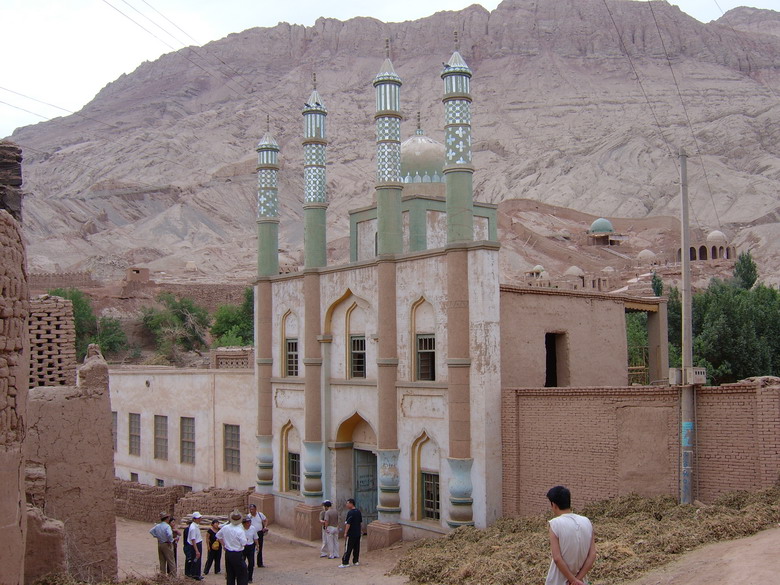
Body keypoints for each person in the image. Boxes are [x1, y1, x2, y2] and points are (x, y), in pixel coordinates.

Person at [545, 486, 596, 585]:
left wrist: (572, 580)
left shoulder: (555, 524)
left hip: (558, 581)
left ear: (553, 504)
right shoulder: (587, 522)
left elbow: (557, 558)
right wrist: (577, 580)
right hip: (581, 581)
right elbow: (592, 555)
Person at [217, 510, 250, 585]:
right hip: (237, 553)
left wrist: (224, 545)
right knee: (242, 574)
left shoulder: (225, 528)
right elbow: (244, 543)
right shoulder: (240, 531)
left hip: (228, 553)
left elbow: (218, 535)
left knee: (230, 574)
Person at [339, 498, 362, 568]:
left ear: (351, 504)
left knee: (348, 548)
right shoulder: (358, 512)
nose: (346, 505)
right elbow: (360, 522)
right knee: (356, 547)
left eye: (347, 503)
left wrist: (345, 532)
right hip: (357, 533)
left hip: (351, 533)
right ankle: (356, 561)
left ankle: (345, 562)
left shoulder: (350, 513)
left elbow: (348, 524)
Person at [184, 511, 204, 580]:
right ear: (194, 519)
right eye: (198, 518)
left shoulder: (196, 526)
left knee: (198, 560)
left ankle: (197, 574)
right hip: (195, 545)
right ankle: (195, 575)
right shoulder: (193, 528)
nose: (200, 519)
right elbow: (193, 539)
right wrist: (196, 550)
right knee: (195, 560)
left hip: (198, 543)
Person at [248, 503, 268, 567]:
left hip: (259, 533)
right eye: (250, 509)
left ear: (255, 509)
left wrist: (265, 527)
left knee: (260, 547)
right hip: (252, 534)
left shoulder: (260, 514)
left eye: (252, 509)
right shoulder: (248, 516)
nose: (251, 511)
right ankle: (251, 563)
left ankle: (260, 563)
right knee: (251, 548)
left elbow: (265, 520)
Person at [241, 515, 260, 583]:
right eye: (247, 523)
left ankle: (250, 578)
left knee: (251, 563)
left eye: (249, 522)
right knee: (242, 563)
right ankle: (242, 576)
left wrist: (257, 545)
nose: (248, 524)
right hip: (243, 547)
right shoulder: (240, 529)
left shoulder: (252, 528)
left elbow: (255, 537)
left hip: (251, 546)